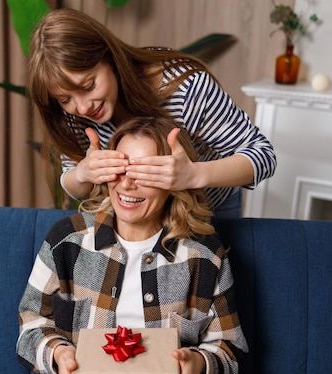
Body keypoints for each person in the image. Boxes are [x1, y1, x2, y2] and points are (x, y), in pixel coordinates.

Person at [17, 117, 248, 374]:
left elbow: (230, 353)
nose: (127, 183)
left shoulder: (205, 255)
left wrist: (197, 365)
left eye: (146, 172)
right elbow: (31, 325)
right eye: (120, 168)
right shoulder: (67, 241)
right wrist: (60, 354)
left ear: (174, 180)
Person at [27, 8, 276, 219]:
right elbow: (72, 181)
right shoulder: (71, 115)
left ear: (109, 57)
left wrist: (194, 175)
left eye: (89, 86)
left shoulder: (186, 90)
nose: (83, 108)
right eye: (65, 99)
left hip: (208, 211)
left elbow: (263, 156)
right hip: (144, 224)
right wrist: (83, 172)